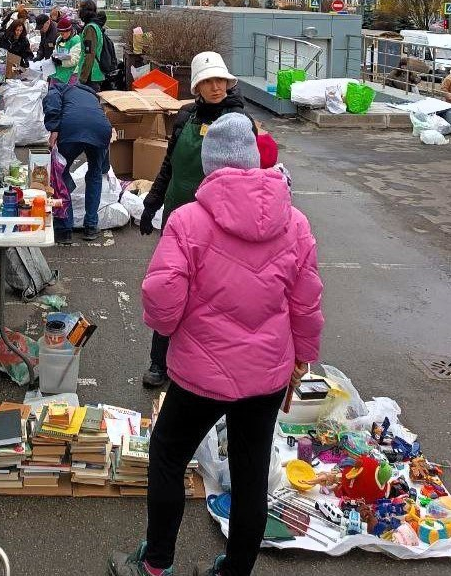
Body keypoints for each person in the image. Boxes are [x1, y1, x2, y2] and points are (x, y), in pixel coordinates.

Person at [110, 113, 324, 576]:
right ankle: (235, 571)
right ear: (252, 160)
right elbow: (306, 301)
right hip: (266, 374)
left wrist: (168, 328)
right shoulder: (295, 222)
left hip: (200, 372)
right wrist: (302, 359)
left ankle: (156, 563)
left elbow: (162, 294)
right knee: (251, 473)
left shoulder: (189, 220)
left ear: (210, 164)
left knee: (168, 454)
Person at [139, 51, 256, 388]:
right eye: (208, 81)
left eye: (220, 80)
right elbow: (169, 164)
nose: (216, 87)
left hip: (219, 223)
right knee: (169, 287)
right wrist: (152, 202)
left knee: (212, 297)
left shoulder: (238, 121)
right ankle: (158, 362)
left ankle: (207, 366)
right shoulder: (185, 116)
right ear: (197, 87)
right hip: (178, 214)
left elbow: (251, 173)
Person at [43, 80, 112, 244]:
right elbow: (99, 120)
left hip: (72, 128)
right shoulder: (93, 97)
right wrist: (103, 166)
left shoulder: (59, 89)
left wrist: (54, 128)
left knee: (60, 174)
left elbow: (51, 100)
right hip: (101, 129)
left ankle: (64, 229)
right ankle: (91, 226)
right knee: (95, 174)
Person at [77, 0, 105, 91]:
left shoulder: (90, 29)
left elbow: (89, 54)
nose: (78, 12)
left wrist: (83, 77)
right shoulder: (94, 26)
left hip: (91, 75)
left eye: (80, 10)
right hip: (92, 74)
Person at [52, 17, 82, 84]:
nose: (62, 35)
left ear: (69, 31)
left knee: (68, 90)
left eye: (63, 33)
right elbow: (56, 51)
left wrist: (60, 63)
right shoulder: (59, 39)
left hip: (71, 73)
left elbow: (74, 60)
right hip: (59, 72)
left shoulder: (76, 40)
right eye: (60, 33)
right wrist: (54, 57)